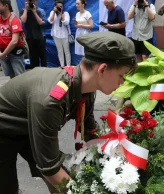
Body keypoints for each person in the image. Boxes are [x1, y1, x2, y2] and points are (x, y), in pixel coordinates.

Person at [0, 31, 137, 194]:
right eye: (121, 76)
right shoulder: (51, 100)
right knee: (7, 186)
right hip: (4, 129)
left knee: (59, 173)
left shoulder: (86, 88)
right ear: (102, 69)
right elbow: (50, 169)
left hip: (30, 124)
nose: (123, 83)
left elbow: (90, 133)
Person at [0, 0, 25, 79]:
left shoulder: (14, 20)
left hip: (15, 53)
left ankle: (22, 91)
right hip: (2, 52)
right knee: (11, 76)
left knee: (20, 76)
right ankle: (14, 91)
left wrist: (3, 54)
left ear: (6, 6)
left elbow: (14, 41)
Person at [20, 0, 47, 68]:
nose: (33, 3)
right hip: (30, 37)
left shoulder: (40, 11)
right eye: (31, 2)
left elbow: (41, 23)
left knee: (43, 57)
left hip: (40, 37)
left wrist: (34, 12)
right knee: (33, 59)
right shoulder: (23, 11)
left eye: (34, 1)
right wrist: (26, 9)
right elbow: (23, 20)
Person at [48, 0, 71, 67]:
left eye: (61, 6)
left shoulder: (66, 13)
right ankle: (62, 66)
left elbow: (66, 22)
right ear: (55, 6)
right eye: (58, 7)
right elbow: (50, 21)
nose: (60, 8)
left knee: (67, 51)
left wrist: (61, 14)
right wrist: (54, 12)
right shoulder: (52, 12)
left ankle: (68, 66)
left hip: (65, 35)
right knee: (60, 51)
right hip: (56, 35)